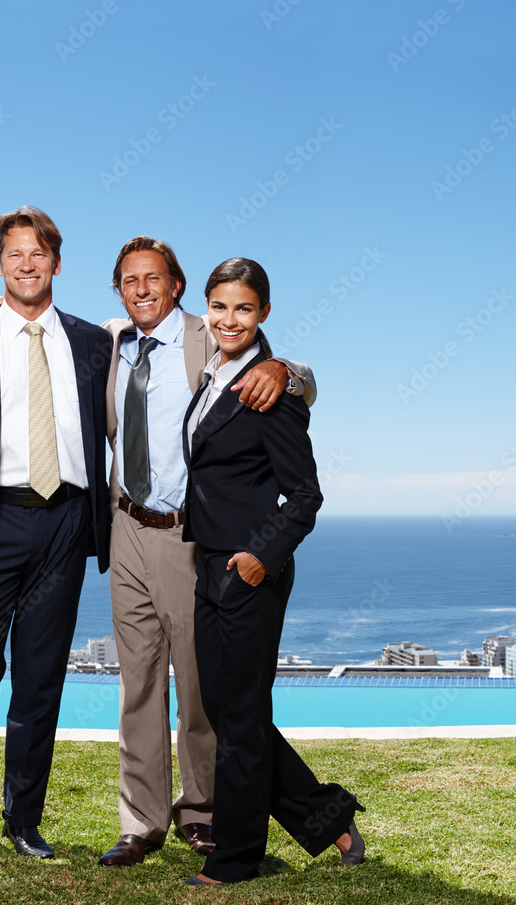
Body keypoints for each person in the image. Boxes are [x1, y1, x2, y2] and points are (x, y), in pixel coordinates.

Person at [0, 236, 315, 867]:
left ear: (176, 285)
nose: (142, 290)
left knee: (201, 688)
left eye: (153, 278)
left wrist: (285, 371)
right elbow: (35, 334)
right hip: (123, 526)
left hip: (189, 535)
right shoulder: (107, 342)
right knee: (138, 684)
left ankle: (201, 813)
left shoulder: (209, 335)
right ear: (118, 291)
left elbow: (288, 373)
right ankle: (141, 822)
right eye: (129, 281)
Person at [0, 206, 112, 860]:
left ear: (57, 263)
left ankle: (23, 820)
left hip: (66, 521)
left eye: (39, 253)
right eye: (15, 253)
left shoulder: (96, 342)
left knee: (40, 680)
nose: (27, 263)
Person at [182, 258, 364, 886]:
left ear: (262, 314)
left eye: (244, 308)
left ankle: (236, 857)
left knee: (237, 718)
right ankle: (324, 817)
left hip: (247, 572)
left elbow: (305, 494)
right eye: (220, 307)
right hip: (209, 563)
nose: (229, 319)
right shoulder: (214, 376)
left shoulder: (271, 389)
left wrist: (260, 557)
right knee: (236, 712)